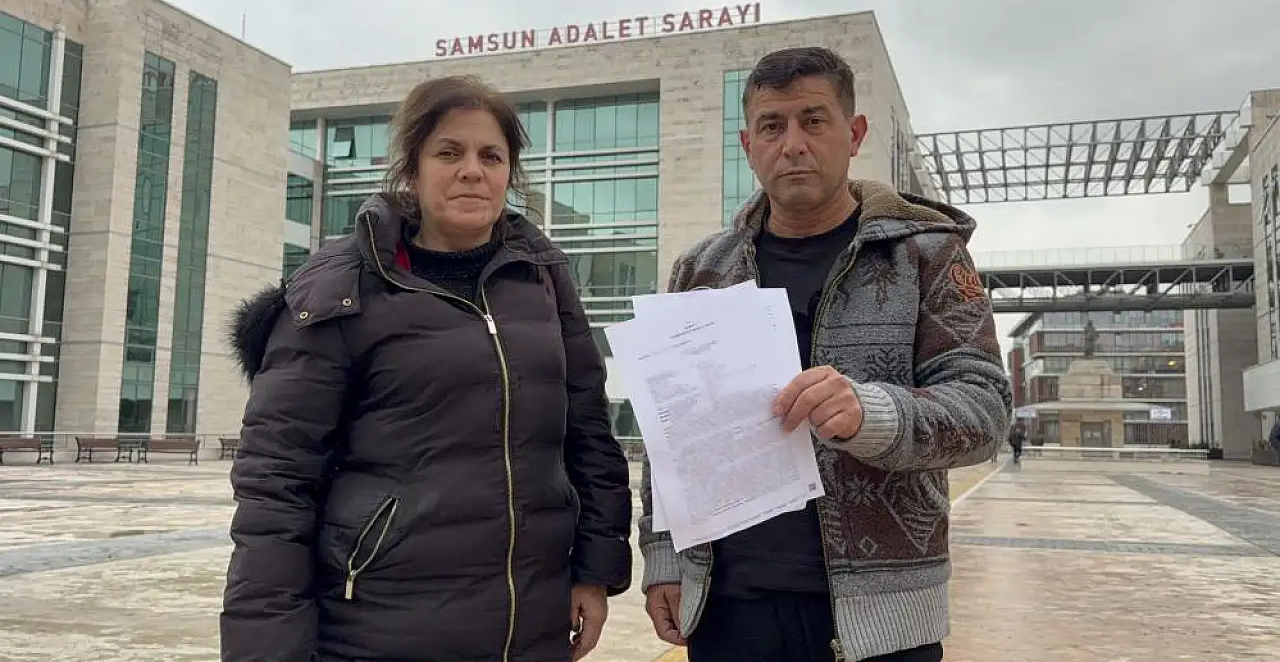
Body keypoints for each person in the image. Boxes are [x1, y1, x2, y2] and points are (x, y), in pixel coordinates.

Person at [220, 75, 633, 662]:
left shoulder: (542, 278)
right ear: (411, 170)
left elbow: (588, 435)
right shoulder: (341, 287)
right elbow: (276, 484)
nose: (472, 171)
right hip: (378, 631)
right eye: (449, 152)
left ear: (509, 174)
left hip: (530, 631)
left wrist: (594, 570)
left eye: (491, 156)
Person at [639, 47, 1011, 662]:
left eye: (813, 121)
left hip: (883, 621)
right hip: (730, 608)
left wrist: (873, 414)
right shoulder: (701, 269)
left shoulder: (927, 255)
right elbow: (670, 435)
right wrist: (662, 558)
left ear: (854, 133)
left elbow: (986, 410)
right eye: (772, 126)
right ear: (748, 144)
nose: (793, 145)